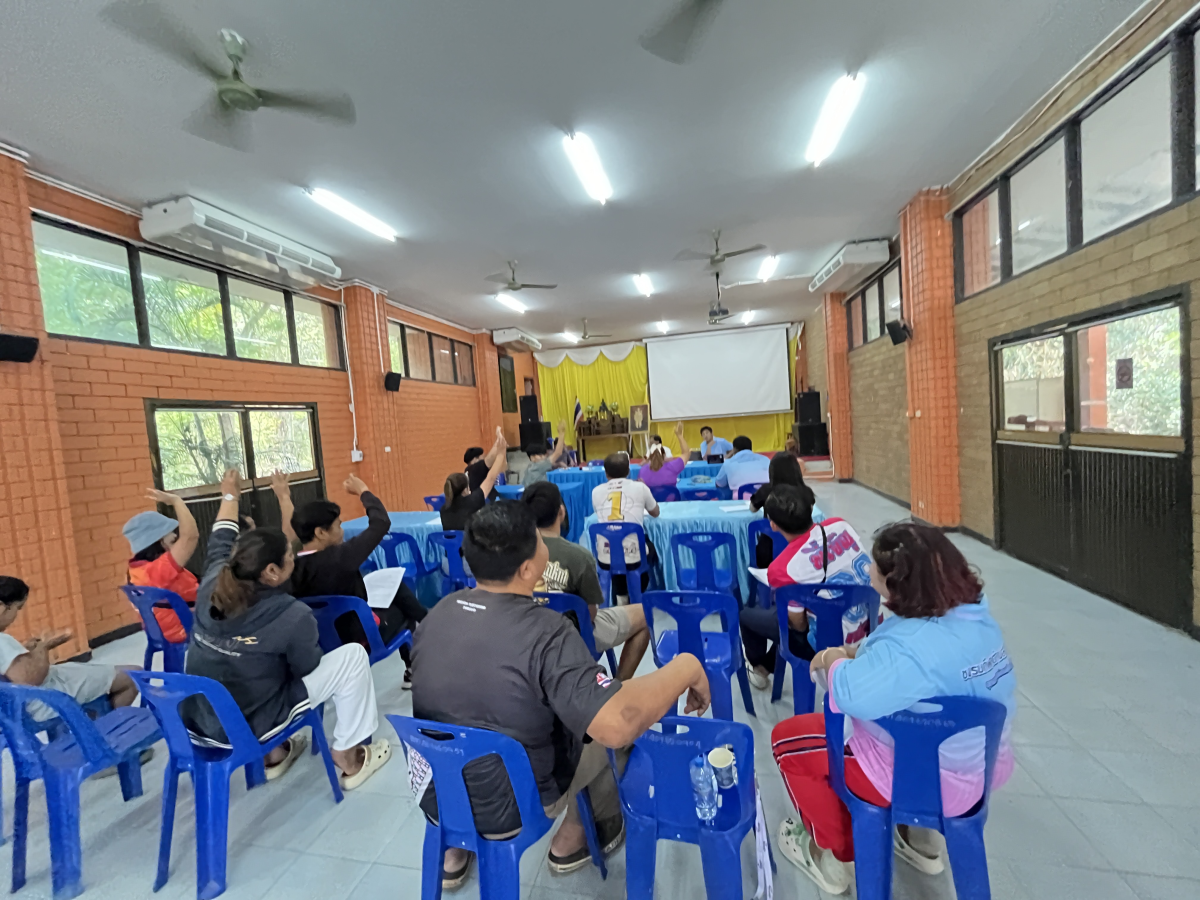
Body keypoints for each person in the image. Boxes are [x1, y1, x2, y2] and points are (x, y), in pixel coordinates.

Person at [410, 501, 711, 887]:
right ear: (528, 568)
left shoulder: (437, 615)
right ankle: (575, 835)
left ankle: (453, 849)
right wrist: (686, 666)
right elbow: (618, 722)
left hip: (437, 794)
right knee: (614, 733)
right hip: (514, 805)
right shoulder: (546, 631)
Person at [771, 523, 1016, 894]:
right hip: (977, 770)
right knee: (924, 722)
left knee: (789, 742)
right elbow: (899, 651)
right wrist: (861, 651)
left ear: (899, 586)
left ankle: (838, 858)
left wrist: (831, 660)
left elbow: (851, 692)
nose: (868, 570)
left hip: (919, 775)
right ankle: (919, 839)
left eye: (876, 569)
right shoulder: (974, 615)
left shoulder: (909, 651)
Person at [185, 468, 390, 789]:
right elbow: (306, 669)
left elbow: (221, 534)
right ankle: (349, 756)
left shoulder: (212, 580)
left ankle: (276, 756)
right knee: (350, 659)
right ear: (271, 571)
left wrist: (230, 495)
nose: (295, 559)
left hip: (196, 722)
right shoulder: (290, 614)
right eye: (289, 558)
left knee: (252, 665)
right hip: (247, 728)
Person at [287, 474, 428, 688]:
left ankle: (429, 624)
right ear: (321, 532)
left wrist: (283, 497)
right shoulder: (341, 558)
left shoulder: (291, 569)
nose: (342, 531)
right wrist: (362, 489)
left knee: (395, 590)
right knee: (405, 610)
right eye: (338, 526)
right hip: (359, 638)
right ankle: (415, 666)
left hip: (321, 642)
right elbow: (381, 522)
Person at [740, 485, 872, 690]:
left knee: (750, 617)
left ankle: (758, 668)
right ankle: (766, 666)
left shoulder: (783, 568)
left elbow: (798, 625)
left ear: (773, 525)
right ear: (811, 509)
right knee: (791, 613)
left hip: (830, 643)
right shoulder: (840, 525)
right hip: (870, 627)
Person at [523, 482, 650, 680]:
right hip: (573, 637)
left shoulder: (515, 555)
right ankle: (619, 686)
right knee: (644, 614)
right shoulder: (579, 556)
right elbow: (590, 615)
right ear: (561, 512)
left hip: (528, 635)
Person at [0, 575, 140, 721]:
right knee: (133, 675)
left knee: (88, 671)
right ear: (2, 607)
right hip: (45, 699)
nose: (16, 616)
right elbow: (30, 678)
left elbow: (11, 670)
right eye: (18, 608)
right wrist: (43, 647)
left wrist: (28, 652)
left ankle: (94, 723)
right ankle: (112, 731)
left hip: (22, 703)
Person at [124, 488, 201, 644]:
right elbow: (191, 537)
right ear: (157, 541)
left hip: (162, 628)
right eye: (170, 534)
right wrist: (176, 501)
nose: (175, 536)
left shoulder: (136, 570)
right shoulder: (158, 571)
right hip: (185, 627)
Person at [591, 452, 660, 599]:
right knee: (651, 548)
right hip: (633, 555)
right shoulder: (640, 488)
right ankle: (639, 590)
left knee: (615, 552)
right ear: (628, 471)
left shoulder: (596, 492)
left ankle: (621, 596)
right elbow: (655, 512)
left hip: (605, 555)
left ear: (606, 473)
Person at [750, 454, 809, 564]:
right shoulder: (806, 492)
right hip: (800, 552)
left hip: (768, 552)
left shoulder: (766, 490)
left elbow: (752, 509)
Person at [442, 432, 508, 532]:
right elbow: (491, 478)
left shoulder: (443, 509)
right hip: (470, 545)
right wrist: (501, 453)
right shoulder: (472, 502)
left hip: (452, 547)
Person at [639, 422, 689, 490]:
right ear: (663, 455)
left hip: (652, 500)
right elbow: (686, 453)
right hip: (671, 499)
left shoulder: (643, 471)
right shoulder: (672, 467)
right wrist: (679, 435)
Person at [464, 427, 507, 499]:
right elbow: (490, 458)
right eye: (482, 457)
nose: (484, 458)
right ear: (475, 459)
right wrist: (499, 439)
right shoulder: (475, 470)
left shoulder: (468, 471)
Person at [523, 419, 569, 485]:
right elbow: (558, 452)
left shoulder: (529, 468)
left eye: (543, 455)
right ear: (532, 458)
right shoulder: (539, 466)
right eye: (540, 456)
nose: (543, 457)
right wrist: (561, 433)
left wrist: (557, 464)